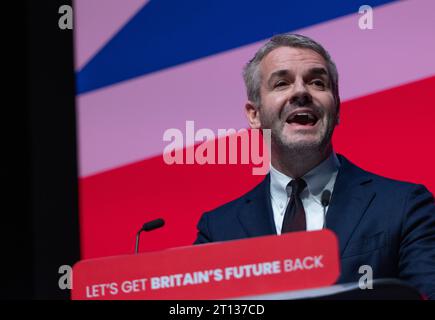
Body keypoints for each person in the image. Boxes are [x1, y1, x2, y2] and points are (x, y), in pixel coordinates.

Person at [194, 33, 435, 299]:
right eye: (282, 83)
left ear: (338, 108)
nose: (300, 92)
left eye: (317, 82)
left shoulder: (404, 206)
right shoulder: (218, 231)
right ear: (255, 114)